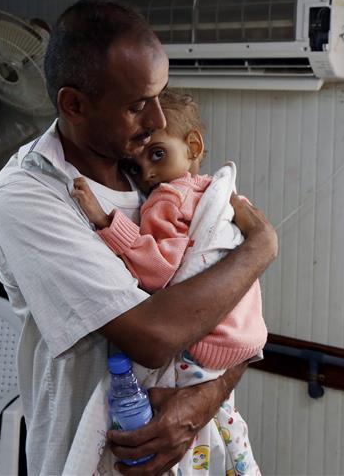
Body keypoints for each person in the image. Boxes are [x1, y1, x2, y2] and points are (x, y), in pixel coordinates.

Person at [0, 0, 277, 475]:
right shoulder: (28, 197)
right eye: (138, 105)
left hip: (188, 454)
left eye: (160, 96)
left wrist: (206, 396)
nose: (158, 120)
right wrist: (261, 248)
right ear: (74, 105)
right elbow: (153, 337)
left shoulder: (157, 171)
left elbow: (236, 318)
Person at [68, 89, 267, 475]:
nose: (148, 173)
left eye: (157, 154)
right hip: (242, 336)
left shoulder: (166, 199)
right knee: (226, 427)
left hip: (204, 343)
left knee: (183, 442)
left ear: (193, 146)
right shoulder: (216, 192)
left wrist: (106, 222)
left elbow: (158, 269)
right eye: (136, 165)